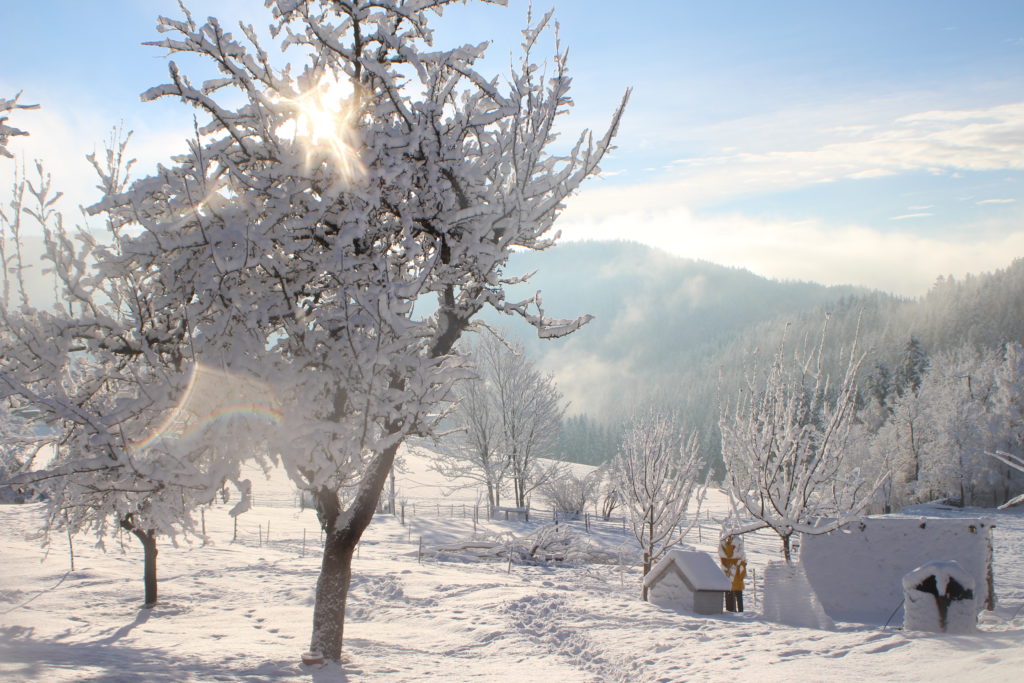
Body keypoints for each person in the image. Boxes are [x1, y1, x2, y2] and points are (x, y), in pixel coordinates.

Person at [718, 533, 747, 612]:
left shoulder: (731, 546)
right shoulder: (735, 546)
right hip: (734, 576)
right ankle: (737, 611)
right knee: (736, 595)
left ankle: (735, 611)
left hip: (733, 576)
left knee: (735, 594)